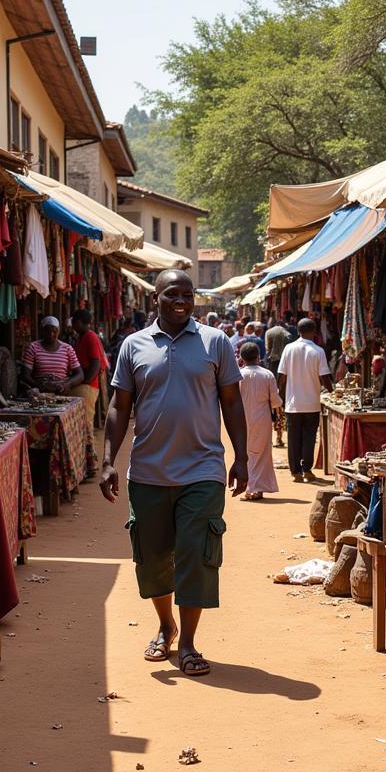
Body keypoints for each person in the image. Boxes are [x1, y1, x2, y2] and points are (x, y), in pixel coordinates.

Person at [102, 269, 248, 678]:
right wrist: (109, 460)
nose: (183, 301)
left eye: (189, 294)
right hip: (147, 471)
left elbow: (232, 403)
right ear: (156, 298)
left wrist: (242, 457)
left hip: (203, 470)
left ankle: (186, 641)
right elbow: (119, 406)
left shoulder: (215, 342)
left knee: (195, 555)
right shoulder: (133, 346)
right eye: (173, 294)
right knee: (152, 560)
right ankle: (165, 624)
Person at [277, 318, 332, 482]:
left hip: (293, 403)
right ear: (314, 331)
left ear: (298, 330)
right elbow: (324, 377)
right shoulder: (318, 351)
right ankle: (307, 469)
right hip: (312, 403)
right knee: (309, 437)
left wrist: (279, 396)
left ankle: (296, 472)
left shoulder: (289, 348)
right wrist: (333, 391)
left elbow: (282, 375)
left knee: (293, 438)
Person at [237, 341, 282, 500]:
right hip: (262, 419)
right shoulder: (267, 374)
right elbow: (275, 401)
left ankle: (252, 486)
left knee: (246, 452)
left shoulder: (238, 375)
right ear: (258, 357)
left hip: (241, 420)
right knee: (261, 453)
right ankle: (255, 488)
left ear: (242, 358)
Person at [70, 310, 107, 476]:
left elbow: (95, 364)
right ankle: (84, 464)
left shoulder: (90, 337)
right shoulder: (82, 337)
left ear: (78, 322)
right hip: (85, 385)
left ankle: (90, 465)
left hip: (87, 386)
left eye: (73, 321)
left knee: (86, 424)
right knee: (82, 424)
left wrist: (84, 381)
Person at [20, 316, 83, 394]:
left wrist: (67, 384)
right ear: (42, 331)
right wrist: (38, 385)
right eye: (47, 331)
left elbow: (80, 375)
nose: (51, 334)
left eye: (54, 331)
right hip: (39, 393)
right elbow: (25, 375)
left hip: (61, 392)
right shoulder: (33, 347)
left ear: (58, 331)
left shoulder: (67, 349)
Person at [264, 317, 290, 446]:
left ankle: (275, 436)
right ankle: (280, 436)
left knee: (273, 403)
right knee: (282, 402)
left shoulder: (269, 332)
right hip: (285, 369)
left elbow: (267, 350)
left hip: (272, 366)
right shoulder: (287, 333)